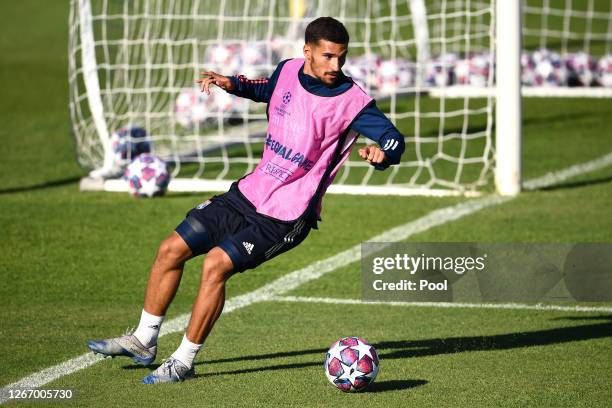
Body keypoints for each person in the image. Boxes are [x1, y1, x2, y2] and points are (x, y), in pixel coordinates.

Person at [87, 16, 405, 384]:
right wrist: (233, 84)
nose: (337, 66)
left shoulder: (353, 101)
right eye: (329, 56)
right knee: (170, 249)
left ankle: (184, 361)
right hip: (249, 192)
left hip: (288, 214)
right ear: (307, 52)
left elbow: (394, 139)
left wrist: (384, 155)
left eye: (342, 57)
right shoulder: (287, 69)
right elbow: (267, 89)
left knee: (215, 265)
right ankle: (143, 340)